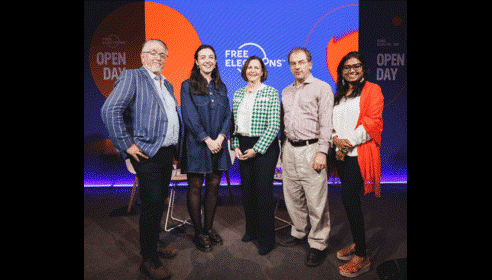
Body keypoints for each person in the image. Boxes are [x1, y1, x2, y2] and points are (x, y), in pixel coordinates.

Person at [101, 39, 179, 279]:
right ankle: (149, 259)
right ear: (143, 56)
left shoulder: (167, 85)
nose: (158, 57)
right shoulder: (132, 76)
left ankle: (154, 243)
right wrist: (126, 144)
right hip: (146, 153)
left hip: (165, 153)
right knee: (152, 203)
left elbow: (167, 118)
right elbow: (109, 110)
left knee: (159, 202)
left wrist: (175, 151)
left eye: (162, 54)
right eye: (152, 52)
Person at [279, 47, 334, 267]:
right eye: (293, 63)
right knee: (292, 196)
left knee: (316, 199)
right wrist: (283, 149)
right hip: (290, 149)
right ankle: (299, 231)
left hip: (312, 149)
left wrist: (323, 151)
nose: (297, 67)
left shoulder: (322, 88)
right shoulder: (286, 91)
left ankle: (318, 243)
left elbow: (326, 123)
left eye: (301, 62)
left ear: (310, 64)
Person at [331, 51, 384, 277]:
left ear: (363, 69)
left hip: (357, 155)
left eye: (357, 66)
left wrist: (347, 143)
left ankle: (362, 256)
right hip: (340, 155)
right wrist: (335, 140)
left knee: (349, 200)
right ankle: (357, 242)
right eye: (347, 67)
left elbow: (372, 123)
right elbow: (331, 122)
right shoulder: (340, 94)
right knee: (349, 200)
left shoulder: (373, 90)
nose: (352, 70)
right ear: (341, 71)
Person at [180, 44, 232, 252]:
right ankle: (198, 232)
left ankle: (209, 228)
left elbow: (228, 115)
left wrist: (220, 138)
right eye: (203, 57)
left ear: (216, 61)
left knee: (213, 187)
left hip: (218, 145)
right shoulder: (187, 85)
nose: (208, 60)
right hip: (197, 145)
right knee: (195, 188)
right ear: (196, 61)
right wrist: (206, 139)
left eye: (211, 57)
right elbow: (189, 116)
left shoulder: (222, 87)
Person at [231, 56, 281, 255]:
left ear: (262, 72)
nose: (252, 70)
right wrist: (235, 145)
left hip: (264, 146)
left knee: (263, 193)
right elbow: (234, 125)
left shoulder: (271, 92)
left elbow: (274, 125)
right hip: (243, 144)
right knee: (248, 192)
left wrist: (256, 149)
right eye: (249, 67)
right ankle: (251, 230)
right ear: (245, 71)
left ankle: (267, 239)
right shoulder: (237, 94)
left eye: (256, 68)